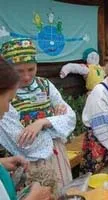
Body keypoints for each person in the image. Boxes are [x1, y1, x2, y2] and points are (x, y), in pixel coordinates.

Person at [0, 38, 76, 196]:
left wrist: (42, 123)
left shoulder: (45, 85)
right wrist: (55, 122)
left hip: (57, 156)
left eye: (31, 69)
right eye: (19, 71)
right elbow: (23, 141)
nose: (27, 77)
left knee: (62, 192)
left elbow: (70, 118)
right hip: (28, 162)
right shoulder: (4, 94)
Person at [0, 62, 52, 200]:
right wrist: (33, 198)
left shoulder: (45, 85)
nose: (7, 109)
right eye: (9, 100)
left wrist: (1, 163)